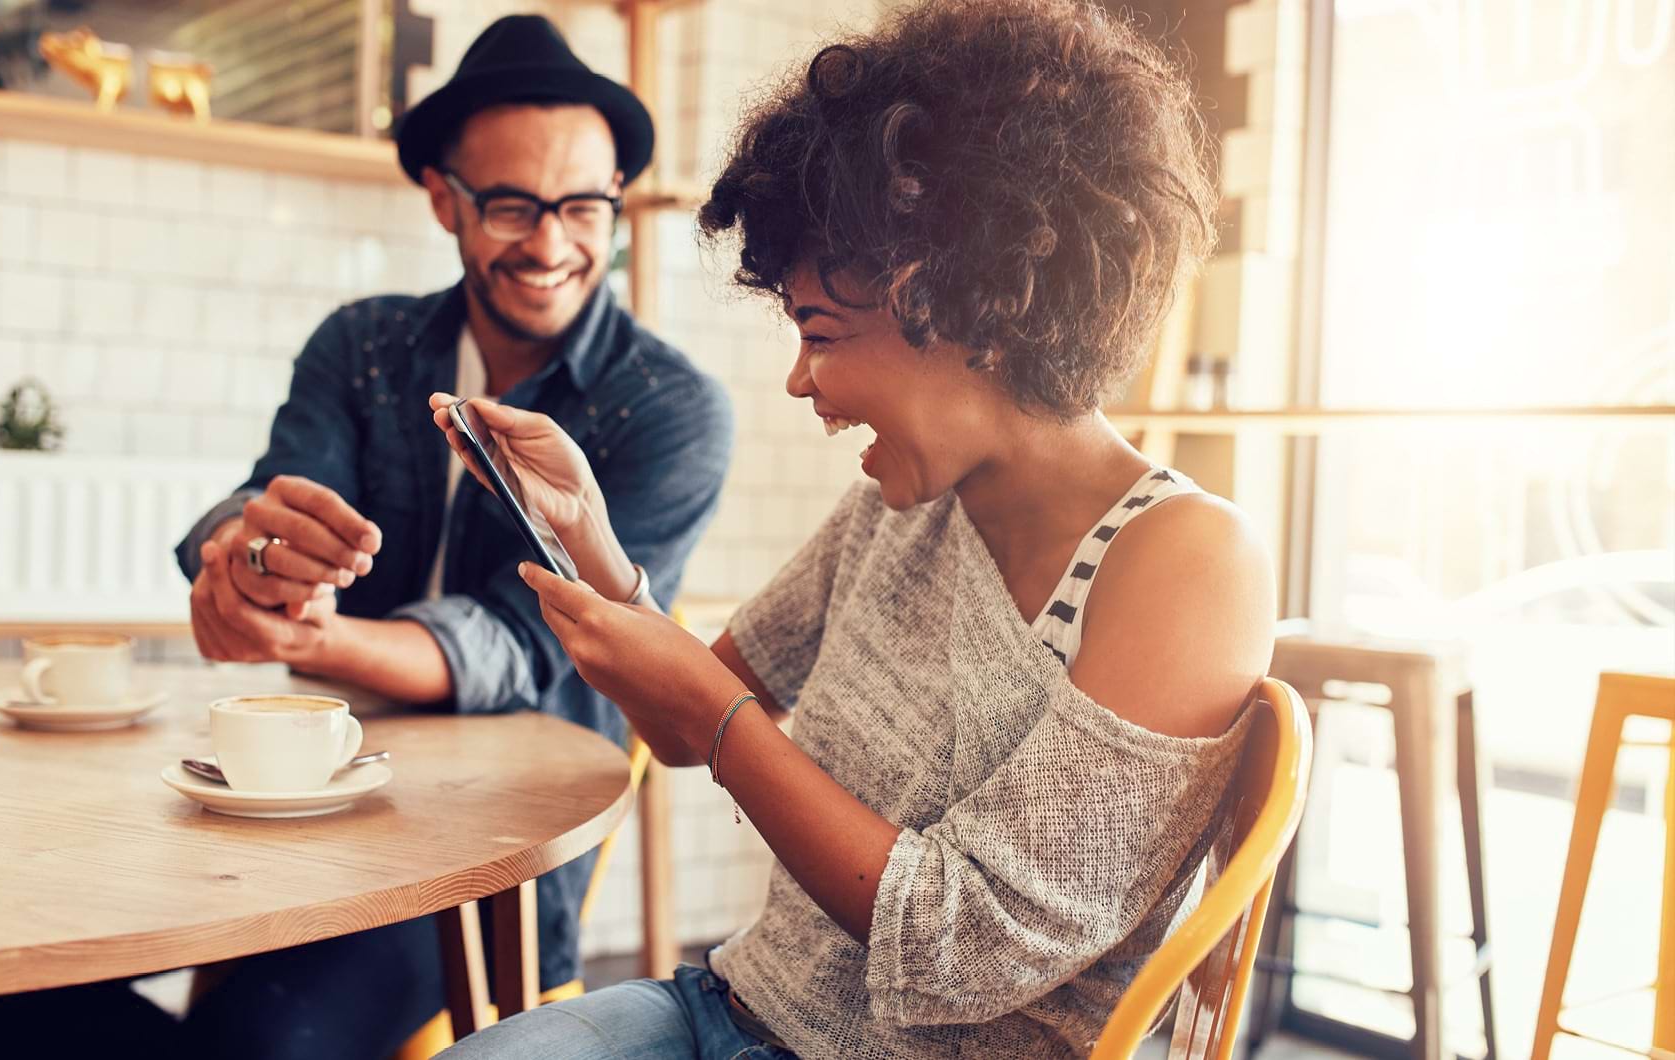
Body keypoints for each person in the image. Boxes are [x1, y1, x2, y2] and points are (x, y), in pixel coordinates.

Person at [427, 1, 1275, 1056]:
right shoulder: (896, 510)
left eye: (820, 333)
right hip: (728, 1010)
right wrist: (591, 540)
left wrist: (722, 715)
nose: (801, 379)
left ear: (962, 305)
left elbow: (964, 946)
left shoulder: (1189, 562)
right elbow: (682, 731)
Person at [0, 15, 731, 1060]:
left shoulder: (670, 407)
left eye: (583, 206)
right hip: (292, 785)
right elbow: (266, 501)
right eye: (510, 206)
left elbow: (516, 644)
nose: (549, 245)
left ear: (617, 196)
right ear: (443, 197)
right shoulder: (363, 344)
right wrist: (243, 561)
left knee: (261, 1042)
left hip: (493, 843)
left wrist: (312, 636)